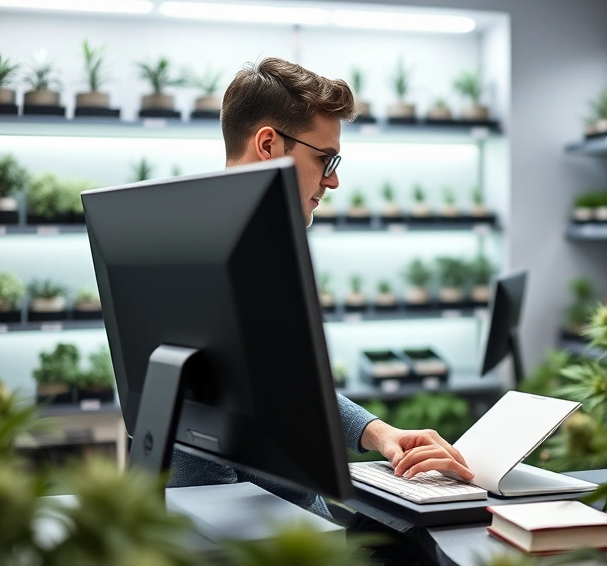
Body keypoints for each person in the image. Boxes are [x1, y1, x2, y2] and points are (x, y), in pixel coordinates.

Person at [169, 57, 475, 521]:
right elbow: (198, 452)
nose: (332, 180)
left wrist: (379, 433)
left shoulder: (256, 245)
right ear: (268, 144)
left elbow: (278, 384)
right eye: (324, 158)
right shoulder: (203, 258)